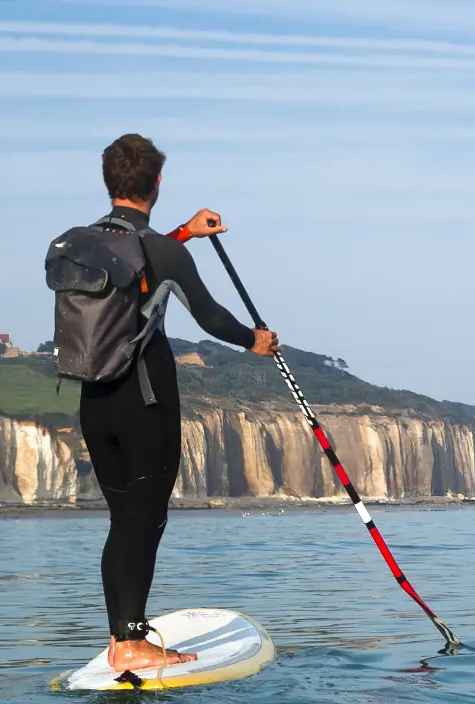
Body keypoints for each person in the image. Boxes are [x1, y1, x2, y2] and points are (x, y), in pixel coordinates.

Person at [83, 133, 278, 672]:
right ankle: (132, 641)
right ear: (158, 183)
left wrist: (186, 233)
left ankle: (121, 637)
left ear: (108, 181)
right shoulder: (161, 251)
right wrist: (253, 341)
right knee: (146, 520)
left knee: (124, 520)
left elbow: (135, 268)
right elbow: (210, 315)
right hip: (145, 399)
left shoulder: (79, 245)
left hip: (94, 401)